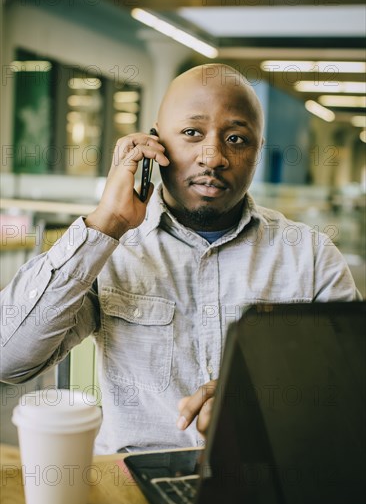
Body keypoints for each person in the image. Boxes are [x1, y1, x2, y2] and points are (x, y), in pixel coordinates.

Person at [0, 64, 360, 454]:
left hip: (265, 476)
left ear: (257, 152)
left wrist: (262, 400)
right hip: (134, 484)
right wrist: (107, 222)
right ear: (155, 144)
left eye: (237, 139)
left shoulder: (308, 254)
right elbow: (9, 359)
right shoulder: (112, 250)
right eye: (192, 133)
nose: (213, 157)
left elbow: (350, 389)